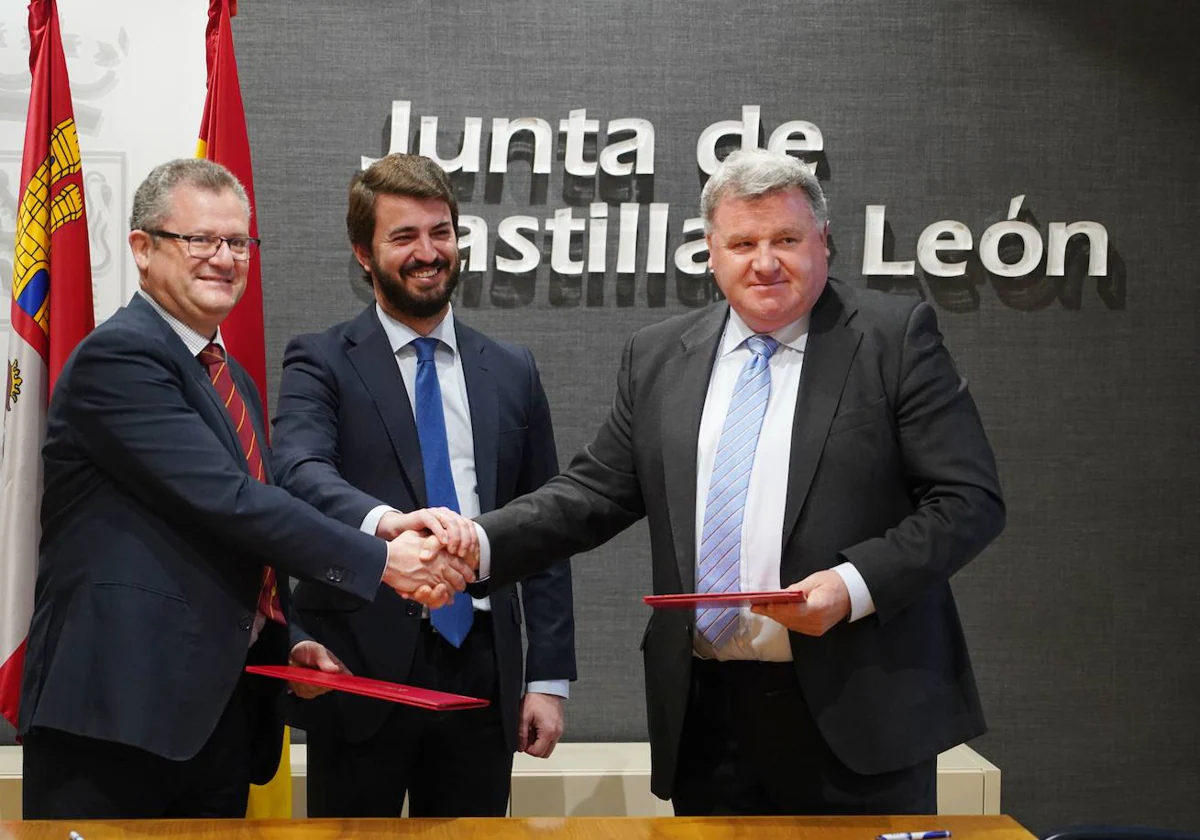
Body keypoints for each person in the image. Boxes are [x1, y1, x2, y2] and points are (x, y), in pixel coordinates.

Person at [462, 148, 1005, 815]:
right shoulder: (659, 355)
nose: (765, 261)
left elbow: (967, 499)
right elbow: (590, 495)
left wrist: (851, 586)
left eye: (786, 239)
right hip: (707, 718)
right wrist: (472, 545)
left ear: (824, 243)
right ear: (710, 253)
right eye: (742, 242)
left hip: (859, 711)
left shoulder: (894, 340)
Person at [17, 158, 474, 820]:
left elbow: (228, 541)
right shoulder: (119, 360)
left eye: (237, 242)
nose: (224, 258)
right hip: (114, 718)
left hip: (213, 723)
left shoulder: (227, 378)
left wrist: (284, 640)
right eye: (199, 239)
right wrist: (383, 558)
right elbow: (232, 502)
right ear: (143, 250)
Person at [271, 153, 576, 818]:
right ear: (364, 252)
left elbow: (546, 527)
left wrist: (548, 679)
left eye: (441, 232)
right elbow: (298, 473)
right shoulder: (320, 360)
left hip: (483, 675)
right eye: (403, 236)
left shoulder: (513, 369)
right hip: (358, 671)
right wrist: (386, 525)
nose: (428, 252)